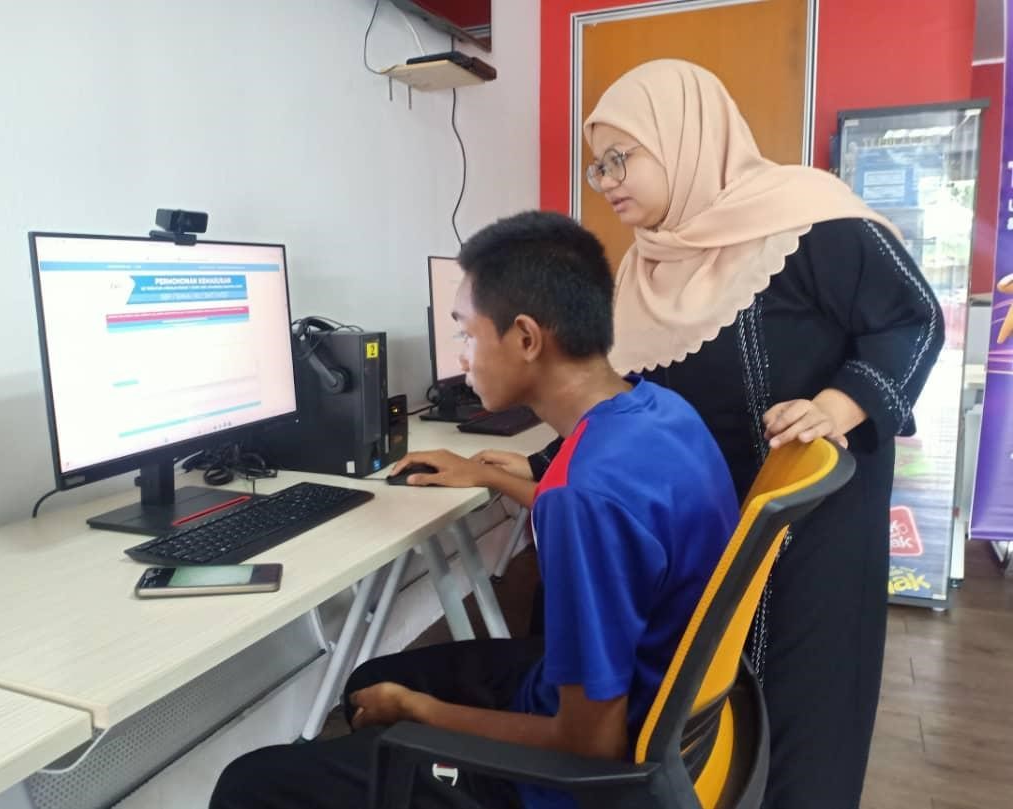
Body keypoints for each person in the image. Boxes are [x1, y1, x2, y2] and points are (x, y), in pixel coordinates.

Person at [415, 61, 943, 809]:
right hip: (712, 525)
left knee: (805, 721)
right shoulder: (647, 266)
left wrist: (838, 406)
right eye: (597, 165)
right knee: (706, 714)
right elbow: (628, 402)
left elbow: (913, 319)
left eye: (620, 157)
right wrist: (538, 462)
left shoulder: (813, 223)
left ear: (683, 135)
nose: (606, 181)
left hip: (813, 530)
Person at [210, 210, 739, 809]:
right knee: (369, 682)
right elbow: (612, 520)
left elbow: (589, 746)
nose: (461, 357)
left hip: (570, 779)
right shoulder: (657, 412)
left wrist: (423, 712)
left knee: (251, 783)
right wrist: (488, 475)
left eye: (466, 333)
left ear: (526, 339)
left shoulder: (581, 499)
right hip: (664, 705)